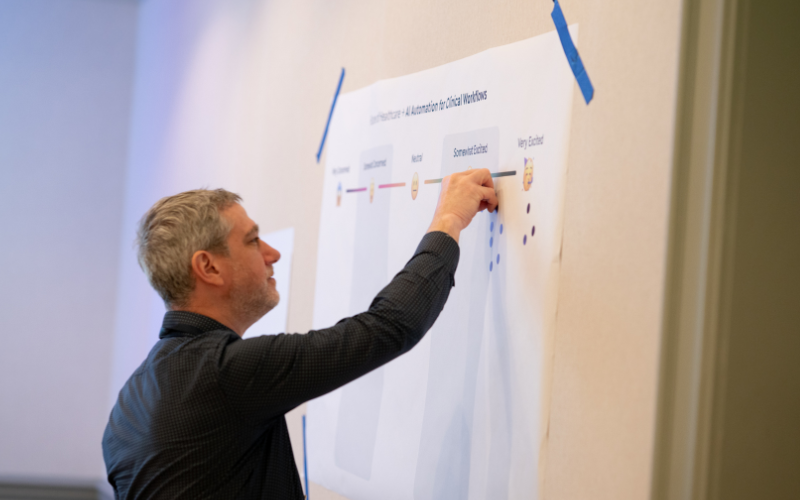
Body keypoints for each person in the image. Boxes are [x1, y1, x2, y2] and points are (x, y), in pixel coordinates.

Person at [102, 168, 498, 499]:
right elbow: (389, 327)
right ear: (208, 267)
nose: (272, 253)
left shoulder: (127, 406)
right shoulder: (224, 374)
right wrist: (448, 221)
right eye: (253, 241)